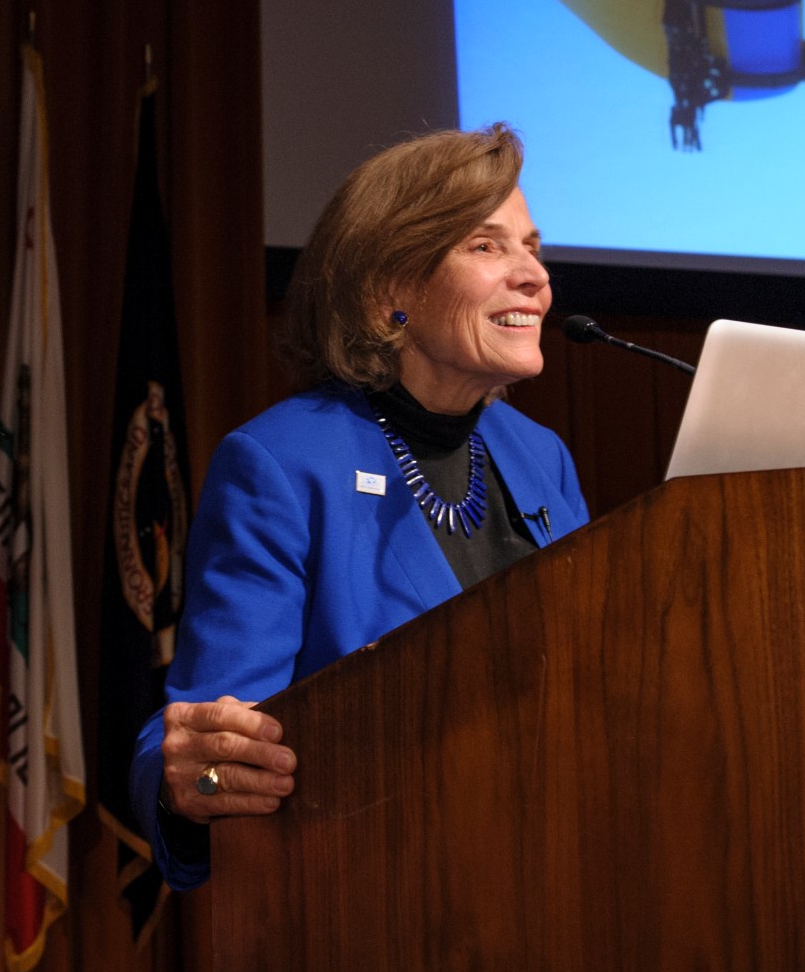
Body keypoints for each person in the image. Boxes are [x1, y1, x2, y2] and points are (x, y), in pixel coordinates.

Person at [129, 126, 590, 890]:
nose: (535, 278)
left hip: (554, 872)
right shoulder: (283, 464)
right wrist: (195, 787)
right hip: (375, 894)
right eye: (486, 247)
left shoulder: (542, 458)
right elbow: (209, 741)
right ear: (390, 292)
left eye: (533, 248)